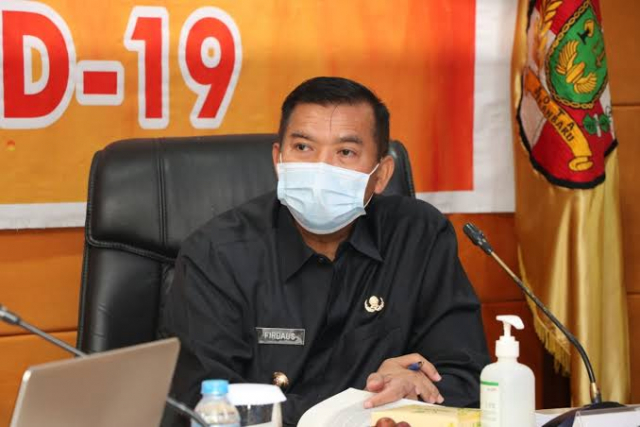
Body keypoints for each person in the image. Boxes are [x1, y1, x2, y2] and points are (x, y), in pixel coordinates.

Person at [161, 76, 490, 426]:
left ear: (381, 175)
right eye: (303, 147)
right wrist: (365, 406)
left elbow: (466, 378)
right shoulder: (217, 253)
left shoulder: (418, 236)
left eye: (345, 152)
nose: (321, 168)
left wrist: (409, 387)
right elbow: (207, 404)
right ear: (278, 160)